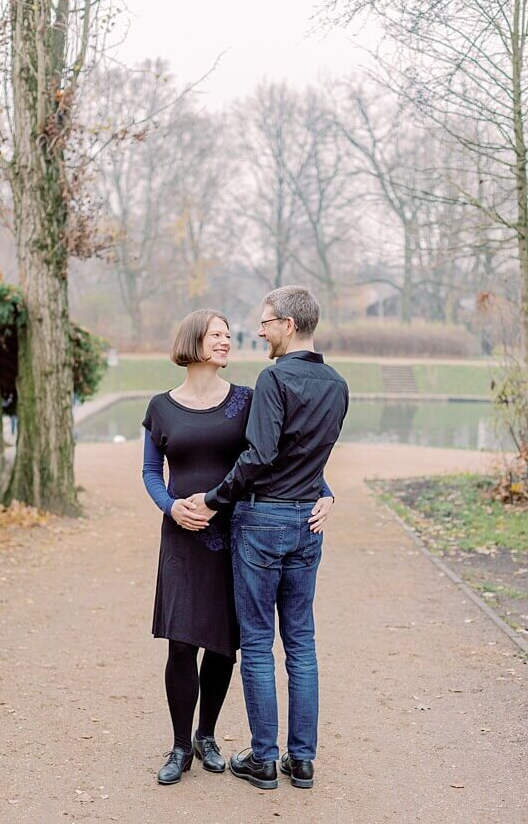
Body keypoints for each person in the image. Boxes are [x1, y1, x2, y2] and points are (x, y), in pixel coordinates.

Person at [141, 309, 335, 786]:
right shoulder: (161, 406)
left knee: (226, 644)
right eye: (217, 335)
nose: (227, 341)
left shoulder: (247, 400)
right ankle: (180, 745)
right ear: (194, 342)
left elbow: (280, 453)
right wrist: (170, 507)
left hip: (239, 532)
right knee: (182, 642)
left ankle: (208, 736)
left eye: (229, 335)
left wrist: (324, 491)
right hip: (183, 536)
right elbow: (150, 470)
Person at [189, 286, 349, 791]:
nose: (258, 331)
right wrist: (324, 494)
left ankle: (264, 759)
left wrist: (214, 499)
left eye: (266, 322)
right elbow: (313, 456)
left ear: (289, 324)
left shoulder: (274, 378)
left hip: (262, 522)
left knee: (258, 643)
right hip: (308, 524)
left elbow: (258, 456)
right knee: (301, 643)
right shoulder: (337, 384)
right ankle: (301, 761)